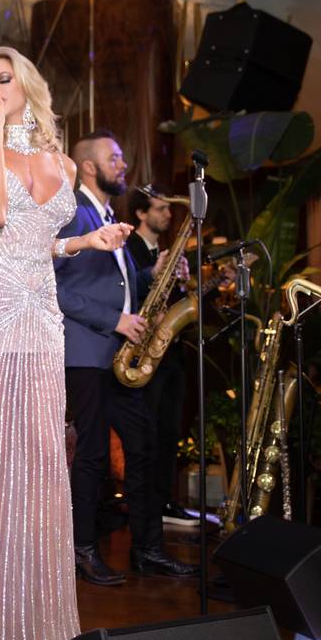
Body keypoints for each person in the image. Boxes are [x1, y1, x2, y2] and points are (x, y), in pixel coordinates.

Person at [0, 47, 131, 640]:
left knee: (43, 459)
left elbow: (39, 242)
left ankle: (34, 619)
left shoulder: (64, 165)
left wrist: (86, 241)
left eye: (3, 79)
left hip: (43, 315)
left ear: (25, 83)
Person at [56, 131, 197, 585]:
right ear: (89, 167)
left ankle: (147, 550)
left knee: (143, 447)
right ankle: (82, 551)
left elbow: (113, 284)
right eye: (114, 158)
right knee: (93, 454)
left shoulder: (107, 215)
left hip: (117, 356)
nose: (123, 165)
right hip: (86, 353)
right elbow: (54, 289)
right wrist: (115, 321)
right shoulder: (71, 213)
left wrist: (151, 274)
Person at [124, 186, 193, 523]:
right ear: (141, 213)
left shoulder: (163, 251)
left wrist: (183, 281)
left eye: (169, 209)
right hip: (142, 352)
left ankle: (164, 501)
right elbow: (128, 292)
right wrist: (155, 274)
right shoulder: (129, 249)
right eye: (160, 209)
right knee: (147, 435)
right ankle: (146, 507)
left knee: (169, 432)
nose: (167, 214)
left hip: (170, 354)